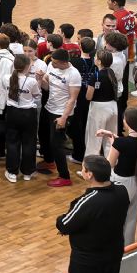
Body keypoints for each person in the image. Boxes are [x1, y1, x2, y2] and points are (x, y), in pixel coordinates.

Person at [98, 107, 137, 246]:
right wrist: (113, 138)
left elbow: (109, 164)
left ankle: (115, 246)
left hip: (122, 184)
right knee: (131, 217)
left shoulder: (121, 143)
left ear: (127, 122)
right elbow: (130, 144)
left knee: (117, 217)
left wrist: (113, 145)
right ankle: (128, 247)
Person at [42, 50, 83, 187]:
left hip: (61, 113)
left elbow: (72, 99)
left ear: (64, 63)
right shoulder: (51, 66)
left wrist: (63, 118)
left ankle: (65, 176)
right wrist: (40, 79)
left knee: (57, 144)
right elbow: (47, 87)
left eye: (55, 62)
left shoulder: (73, 74)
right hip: (49, 108)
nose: (52, 64)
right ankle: (49, 162)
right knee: (46, 138)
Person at [2, 52, 42, 182]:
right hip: (28, 114)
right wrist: (39, 80)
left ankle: (12, 172)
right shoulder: (31, 81)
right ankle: (27, 172)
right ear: (27, 67)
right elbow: (37, 96)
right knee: (29, 143)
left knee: (12, 143)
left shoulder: (6, 78)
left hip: (12, 113)